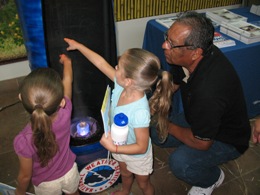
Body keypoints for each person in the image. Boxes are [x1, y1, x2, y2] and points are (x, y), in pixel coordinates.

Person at [150, 11, 251, 195]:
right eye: (167, 38)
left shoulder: (209, 91)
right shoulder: (182, 56)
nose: (164, 45)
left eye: (171, 44)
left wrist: (168, 125)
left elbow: (202, 143)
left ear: (195, 53)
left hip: (227, 138)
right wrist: (155, 100)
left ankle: (212, 178)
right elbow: (175, 83)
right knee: (155, 132)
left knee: (181, 163)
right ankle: (190, 147)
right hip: (198, 117)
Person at [64, 38, 174, 195]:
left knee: (143, 184)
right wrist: (79, 46)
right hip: (118, 144)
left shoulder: (139, 112)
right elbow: (101, 64)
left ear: (129, 81)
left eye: (118, 67)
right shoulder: (121, 83)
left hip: (137, 155)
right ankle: (125, 191)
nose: (115, 68)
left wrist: (114, 148)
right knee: (125, 173)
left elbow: (141, 146)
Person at [14, 54, 80, 195]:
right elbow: (68, 80)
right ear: (61, 102)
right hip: (70, 171)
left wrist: (19, 192)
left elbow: (25, 176)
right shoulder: (66, 110)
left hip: (46, 185)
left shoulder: (23, 141)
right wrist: (67, 62)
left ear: (21, 98)